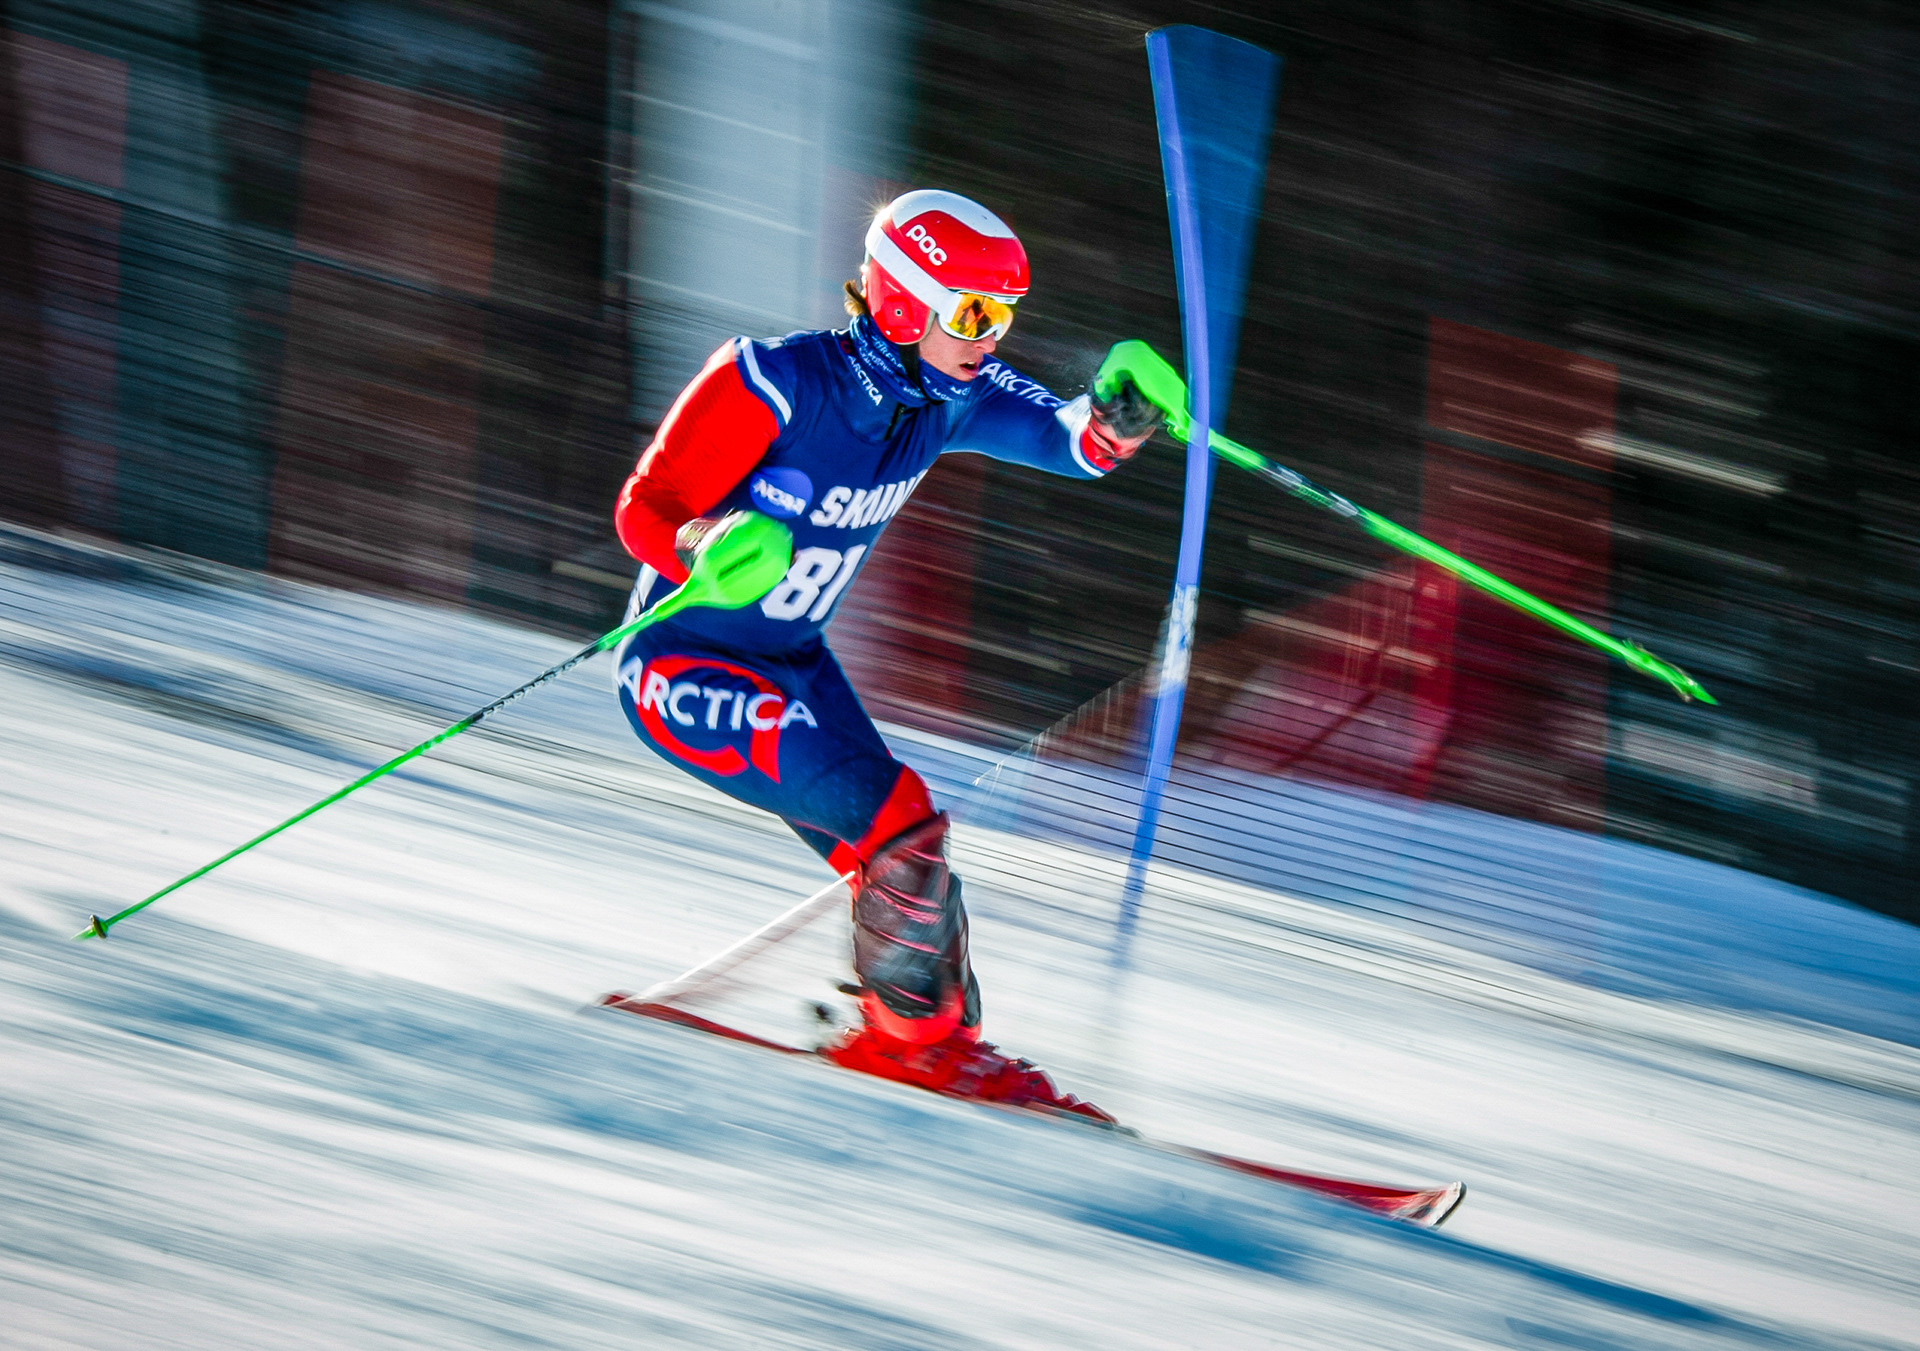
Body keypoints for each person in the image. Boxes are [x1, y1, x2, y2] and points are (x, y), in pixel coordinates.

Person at [610, 189, 1159, 1090]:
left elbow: (1069, 441)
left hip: (792, 666)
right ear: (905, 303)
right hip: (679, 670)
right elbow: (645, 505)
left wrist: (1117, 417)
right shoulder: (772, 381)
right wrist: (700, 543)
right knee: (897, 820)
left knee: (911, 849)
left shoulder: (951, 399)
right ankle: (911, 1046)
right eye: (972, 314)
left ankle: (938, 1042)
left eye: (1003, 317)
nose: (989, 339)